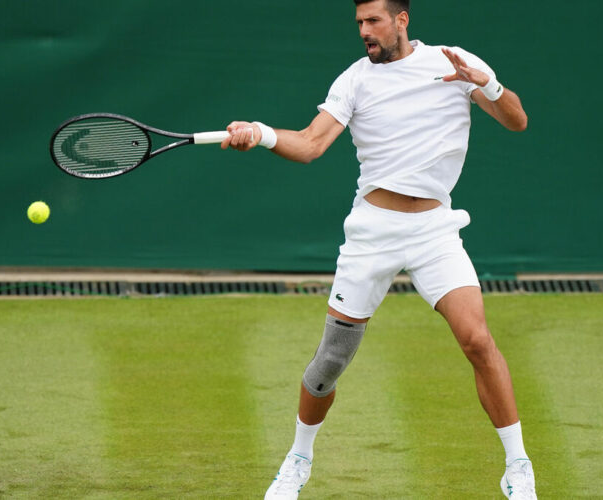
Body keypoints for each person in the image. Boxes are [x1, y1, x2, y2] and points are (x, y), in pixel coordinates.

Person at [221, 0, 535, 498]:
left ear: (402, 20)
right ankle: (298, 459)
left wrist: (486, 84)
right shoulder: (354, 80)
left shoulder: (454, 63)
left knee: (476, 339)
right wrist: (258, 134)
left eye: (373, 21)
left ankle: (518, 466)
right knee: (330, 361)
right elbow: (309, 144)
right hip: (373, 231)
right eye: (359, 24)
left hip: (435, 229)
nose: (365, 31)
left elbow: (516, 121)